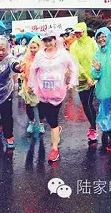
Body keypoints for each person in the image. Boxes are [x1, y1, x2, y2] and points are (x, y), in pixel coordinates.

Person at [29, 32, 78, 162]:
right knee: (45, 116)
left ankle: (54, 148)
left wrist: (71, 83)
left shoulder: (63, 54)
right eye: (45, 41)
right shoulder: (40, 54)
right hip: (42, 92)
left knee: (52, 119)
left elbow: (73, 67)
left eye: (50, 40)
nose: (48, 43)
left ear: (55, 40)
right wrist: (32, 86)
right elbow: (34, 69)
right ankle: (55, 130)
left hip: (57, 92)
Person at [70, 23, 99, 143]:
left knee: (90, 102)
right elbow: (75, 63)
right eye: (75, 32)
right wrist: (87, 77)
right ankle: (93, 126)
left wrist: (96, 74)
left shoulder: (92, 42)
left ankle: (94, 127)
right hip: (82, 78)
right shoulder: (73, 46)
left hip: (95, 76)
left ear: (84, 31)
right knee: (86, 104)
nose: (77, 34)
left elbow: (97, 57)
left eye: (79, 32)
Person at [18, 36, 45, 135]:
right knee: (28, 106)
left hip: (39, 87)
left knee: (41, 106)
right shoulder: (26, 58)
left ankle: (41, 123)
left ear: (39, 47)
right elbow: (22, 71)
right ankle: (31, 122)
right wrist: (24, 76)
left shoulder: (43, 58)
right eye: (31, 47)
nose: (33, 50)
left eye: (35, 47)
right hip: (27, 86)